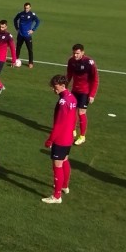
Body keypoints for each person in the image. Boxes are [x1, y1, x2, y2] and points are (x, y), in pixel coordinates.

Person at [41, 75, 77, 204]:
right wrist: (73, 130)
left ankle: (57, 196)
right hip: (68, 137)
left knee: (57, 165)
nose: (53, 89)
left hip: (61, 138)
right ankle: (64, 186)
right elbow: (74, 118)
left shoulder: (63, 102)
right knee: (65, 160)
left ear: (63, 86)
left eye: (55, 87)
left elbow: (58, 124)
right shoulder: (72, 98)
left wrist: (50, 140)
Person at [66, 43, 99, 145]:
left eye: (77, 53)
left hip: (85, 92)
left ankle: (82, 136)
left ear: (82, 53)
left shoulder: (89, 63)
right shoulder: (71, 61)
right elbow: (69, 75)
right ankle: (73, 130)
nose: (75, 55)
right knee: (71, 111)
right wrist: (65, 88)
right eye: (74, 53)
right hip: (75, 91)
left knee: (81, 113)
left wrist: (92, 94)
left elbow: (95, 79)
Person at [13, 2, 40, 68]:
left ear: (30, 8)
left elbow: (38, 21)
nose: (26, 9)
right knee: (18, 48)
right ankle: (15, 60)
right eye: (25, 8)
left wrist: (33, 30)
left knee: (30, 49)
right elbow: (15, 20)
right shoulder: (20, 14)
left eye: (27, 8)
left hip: (27, 36)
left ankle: (30, 63)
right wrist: (17, 28)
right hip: (20, 35)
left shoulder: (32, 15)